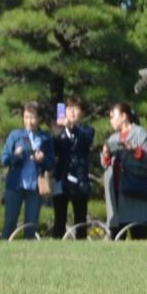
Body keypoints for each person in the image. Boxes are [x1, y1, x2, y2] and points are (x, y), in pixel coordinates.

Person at [100, 101, 147, 238]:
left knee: (138, 232)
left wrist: (134, 149)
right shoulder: (113, 138)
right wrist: (105, 153)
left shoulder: (141, 133)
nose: (111, 120)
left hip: (135, 187)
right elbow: (105, 163)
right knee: (116, 232)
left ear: (124, 116)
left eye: (113, 116)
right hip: (116, 189)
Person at [0, 101, 49, 239]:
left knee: (31, 224)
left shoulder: (45, 138)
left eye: (33, 117)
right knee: (10, 222)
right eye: (26, 117)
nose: (29, 121)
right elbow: (4, 158)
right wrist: (16, 156)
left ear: (39, 119)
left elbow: (51, 162)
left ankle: (29, 254)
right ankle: (4, 250)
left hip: (35, 186)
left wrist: (42, 159)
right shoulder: (16, 135)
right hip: (15, 185)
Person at [50, 98, 96, 238]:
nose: (72, 112)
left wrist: (71, 126)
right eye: (69, 109)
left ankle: (81, 243)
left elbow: (85, 140)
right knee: (60, 216)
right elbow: (53, 148)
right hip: (61, 177)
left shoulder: (87, 130)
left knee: (80, 217)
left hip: (80, 178)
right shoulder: (57, 130)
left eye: (76, 109)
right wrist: (60, 128)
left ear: (82, 113)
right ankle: (57, 242)